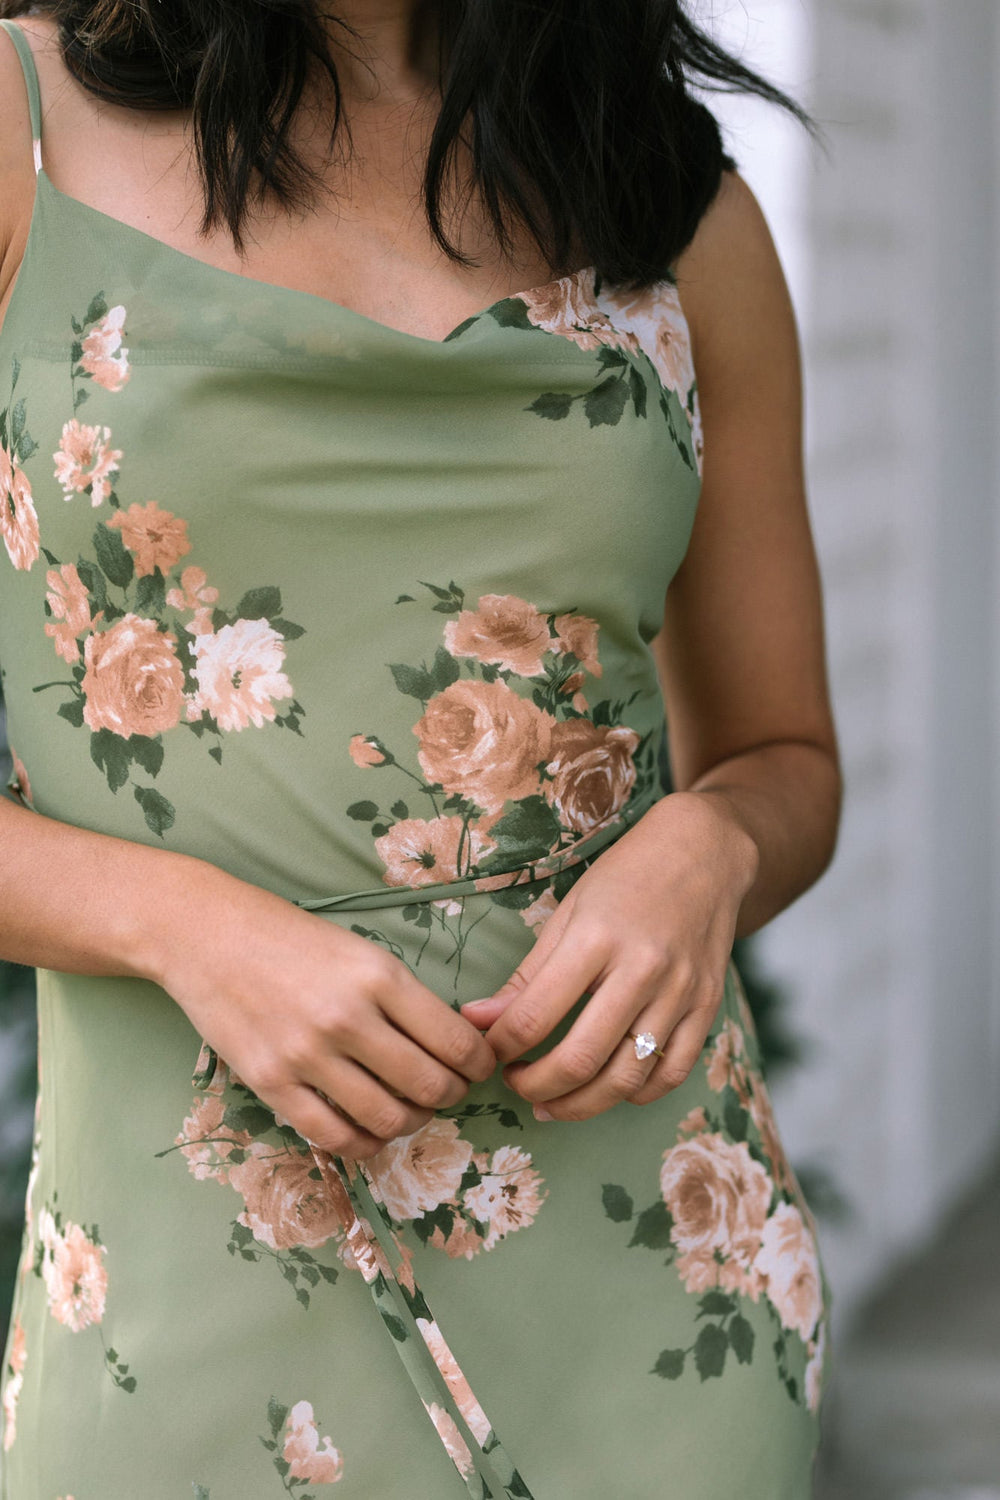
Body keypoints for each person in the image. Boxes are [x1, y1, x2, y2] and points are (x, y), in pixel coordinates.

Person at [0, 3, 842, 1496]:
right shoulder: (22, 121)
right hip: (186, 1271)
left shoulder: (671, 201)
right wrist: (179, 922)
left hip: (651, 1271)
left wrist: (709, 848)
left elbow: (782, 754)